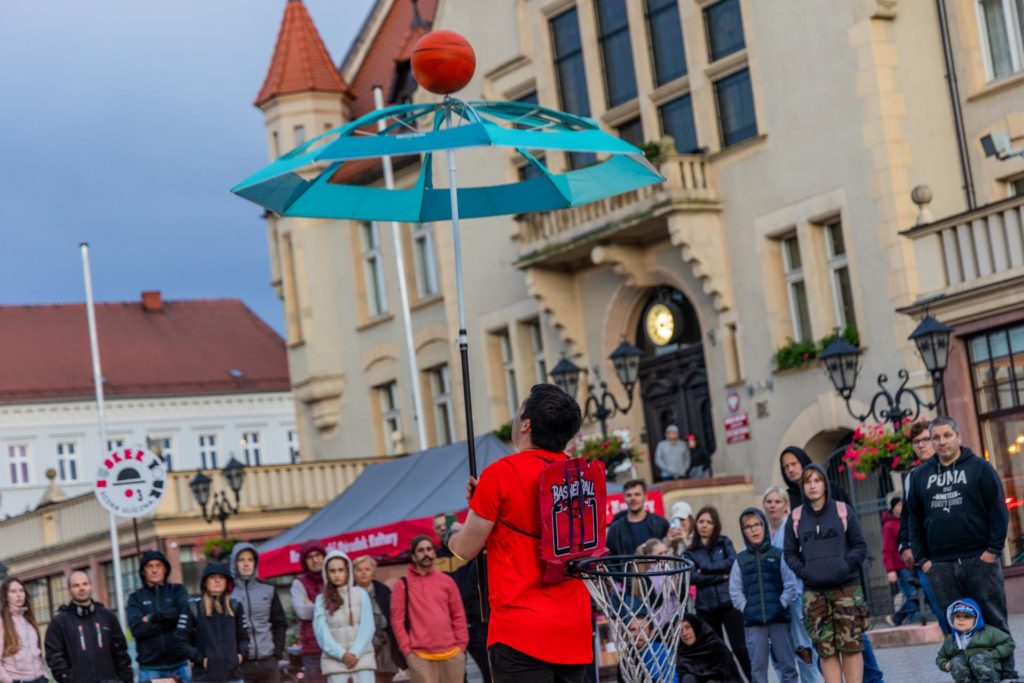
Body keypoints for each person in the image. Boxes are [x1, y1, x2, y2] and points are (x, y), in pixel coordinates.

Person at [448, 384, 593, 682]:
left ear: (526, 424)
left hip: (520, 630)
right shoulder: (581, 476)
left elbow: (464, 548)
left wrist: (450, 533)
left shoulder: (500, 473)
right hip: (573, 628)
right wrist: (485, 503)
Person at [907, 417, 1015, 679]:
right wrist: (924, 560)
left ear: (958, 436)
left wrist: (992, 551)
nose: (942, 442)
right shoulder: (920, 477)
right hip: (940, 565)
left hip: (979, 559)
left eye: (947, 435)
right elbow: (914, 520)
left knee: (993, 617)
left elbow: (998, 511)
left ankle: (1007, 672)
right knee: (956, 624)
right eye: (936, 437)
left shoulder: (979, 468)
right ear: (931, 441)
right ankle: (969, 674)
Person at [777, 449, 885, 683]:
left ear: (825, 484)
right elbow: (789, 553)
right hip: (814, 593)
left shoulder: (842, 511)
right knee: (826, 648)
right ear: (803, 487)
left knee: (851, 645)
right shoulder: (796, 517)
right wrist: (805, 571)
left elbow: (859, 545)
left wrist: (844, 567)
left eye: (817, 481)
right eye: (808, 482)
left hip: (846, 589)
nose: (813, 486)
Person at [729, 507, 800, 683]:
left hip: (779, 621)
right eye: (748, 527)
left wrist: (780, 604)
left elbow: (790, 585)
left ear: (764, 526)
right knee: (758, 670)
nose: (754, 529)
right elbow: (735, 591)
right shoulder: (741, 560)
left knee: (788, 666)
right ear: (743, 531)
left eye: (757, 524)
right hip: (754, 624)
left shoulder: (777, 555)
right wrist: (748, 608)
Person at [763, 485, 823, 683]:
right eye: (769, 502)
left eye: (777, 502)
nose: (773, 506)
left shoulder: (792, 527)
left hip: (796, 595)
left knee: (803, 649)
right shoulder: (761, 533)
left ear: (786, 506)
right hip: (773, 600)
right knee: (779, 654)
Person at [685, 505, 752, 681]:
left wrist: (705, 568)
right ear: (696, 524)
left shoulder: (724, 542)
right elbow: (692, 578)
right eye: (701, 521)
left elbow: (732, 563)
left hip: (729, 603)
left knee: (740, 648)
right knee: (719, 651)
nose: (705, 525)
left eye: (709, 522)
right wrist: (721, 576)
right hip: (705, 607)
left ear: (715, 525)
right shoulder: (689, 551)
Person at [391, 536, 468, 682]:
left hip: (452, 654)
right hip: (420, 657)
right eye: (420, 550)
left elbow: (458, 615)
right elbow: (397, 621)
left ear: (434, 553)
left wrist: (461, 646)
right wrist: (408, 652)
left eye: (429, 549)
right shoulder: (402, 585)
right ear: (413, 556)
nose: (426, 553)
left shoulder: (447, 581)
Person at [896, 421, 946, 634]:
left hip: (953, 551)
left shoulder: (949, 468)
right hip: (926, 556)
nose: (922, 445)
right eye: (916, 442)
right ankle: (957, 659)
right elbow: (908, 514)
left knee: (965, 610)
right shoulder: (912, 477)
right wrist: (905, 544)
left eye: (926, 439)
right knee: (941, 611)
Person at [44, 570, 133, 683]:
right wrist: (66, 678)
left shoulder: (107, 617)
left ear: (91, 586)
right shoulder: (59, 623)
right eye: (76, 585)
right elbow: (54, 656)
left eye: (85, 584)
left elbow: (120, 652)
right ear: (69, 590)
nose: (81, 588)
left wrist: (126, 679)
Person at [127, 549, 193, 682]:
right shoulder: (135, 598)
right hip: (150, 669)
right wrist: (172, 622)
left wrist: (152, 618)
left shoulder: (177, 591)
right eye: (149, 566)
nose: (154, 570)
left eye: (158, 565)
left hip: (179, 665)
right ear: (143, 571)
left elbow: (185, 614)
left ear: (165, 569)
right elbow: (137, 629)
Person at [176, 562, 248, 683]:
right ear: (205, 582)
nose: (217, 581)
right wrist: (199, 659)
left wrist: (240, 656)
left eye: (221, 577)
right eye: (212, 577)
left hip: (234, 677)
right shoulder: (193, 607)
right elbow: (180, 639)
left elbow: (244, 637)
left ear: (227, 582)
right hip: (204, 677)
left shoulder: (236, 606)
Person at [314, 551, 376, 683]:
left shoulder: (361, 594)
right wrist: (342, 655)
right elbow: (321, 633)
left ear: (347, 571)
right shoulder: (321, 600)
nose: (337, 574)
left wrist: (354, 653)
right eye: (332, 571)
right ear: (326, 573)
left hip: (362, 659)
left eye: (340, 570)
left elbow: (368, 627)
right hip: (336, 662)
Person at [231, 542, 287, 682]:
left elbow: (279, 623)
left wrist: (277, 653)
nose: (246, 564)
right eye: (241, 560)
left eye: (250, 559)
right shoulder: (228, 593)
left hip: (268, 662)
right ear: (234, 563)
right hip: (242, 664)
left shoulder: (268, 590)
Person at [935, 598, 1014, 683]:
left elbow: (1009, 642)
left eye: (967, 616)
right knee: (957, 662)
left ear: (976, 619)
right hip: (966, 675)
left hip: (988, 672)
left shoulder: (987, 632)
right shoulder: (952, 639)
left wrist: (994, 654)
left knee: (977, 660)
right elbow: (941, 657)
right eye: (957, 616)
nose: (961, 619)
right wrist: (946, 665)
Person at [352, 555, 400, 683]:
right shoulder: (348, 593)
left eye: (367, 569)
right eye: (359, 569)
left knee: (384, 679)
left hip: (384, 646)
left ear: (373, 572)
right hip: (358, 646)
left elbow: (392, 618)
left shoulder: (383, 591)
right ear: (353, 572)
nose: (363, 573)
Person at [291, 539, 328, 682]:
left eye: (317, 555)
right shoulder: (299, 583)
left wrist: (313, 604)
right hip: (313, 648)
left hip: (338, 646)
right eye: (309, 557)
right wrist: (326, 604)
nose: (315, 560)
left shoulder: (333, 577)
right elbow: (302, 612)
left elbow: (340, 608)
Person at [0, 577, 47, 683]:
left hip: (39, 678)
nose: (19, 595)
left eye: (21, 590)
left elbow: (36, 651)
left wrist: (44, 674)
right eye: (13, 591)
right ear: (5, 596)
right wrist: (7, 680)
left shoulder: (29, 620)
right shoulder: (2, 622)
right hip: (17, 679)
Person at [606, 479, 670, 557]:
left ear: (645, 497)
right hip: (626, 569)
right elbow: (610, 558)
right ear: (624, 498)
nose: (633, 498)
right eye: (629, 495)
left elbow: (669, 551)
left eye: (637, 494)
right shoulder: (615, 528)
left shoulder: (661, 523)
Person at [881, 497, 918, 627]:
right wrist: (890, 570)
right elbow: (887, 549)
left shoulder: (907, 521)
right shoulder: (889, 526)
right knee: (914, 595)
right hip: (901, 567)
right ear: (893, 508)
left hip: (915, 564)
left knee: (916, 595)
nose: (902, 507)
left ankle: (908, 620)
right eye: (899, 505)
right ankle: (897, 618)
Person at [676, 613, 743, 683]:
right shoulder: (681, 652)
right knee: (688, 678)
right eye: (680, 630)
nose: (684, 633)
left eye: (688, 627)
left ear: (696, 627)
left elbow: (730, 677)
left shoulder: (715, 646)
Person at [627, 615, 677, 683]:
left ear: (651, 632)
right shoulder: (627, 656)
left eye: (642, 629)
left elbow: (672, 678)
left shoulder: (661, 650)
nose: (637, 634)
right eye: (633, 630)